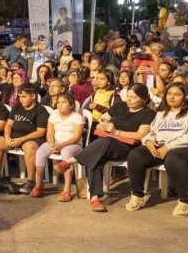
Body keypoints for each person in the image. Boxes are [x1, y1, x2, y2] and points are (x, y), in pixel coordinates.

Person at [56, 83, 156, 211]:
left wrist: (116, 132)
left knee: (105, 143)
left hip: (127, 147)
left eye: (134, 97)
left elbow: (141, 135)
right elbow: (104, 119)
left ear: (143, 99)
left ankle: (70, 161)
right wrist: (102, 125)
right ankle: (95, 198)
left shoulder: (148, 113)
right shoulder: (119, 106)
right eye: (128, 96)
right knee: (96, 157)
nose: (129, 99)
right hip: (106, 143)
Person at [125, 84, 188, 216]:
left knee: (173, 158)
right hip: (162, 147)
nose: (172, 97)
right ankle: (138, 195)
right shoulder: (162, 113)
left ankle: (184, 201)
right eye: (169, 93)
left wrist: (168, 147)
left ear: (185, 97)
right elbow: (152, 132)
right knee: (136, 155)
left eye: (177, 94)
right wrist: (149, 141)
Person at [0, 83, 49, 194]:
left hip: (32, 137)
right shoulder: (17, 106)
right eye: (20, 96)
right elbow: (8, 125)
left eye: (24, 96)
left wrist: (21, 140)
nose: (21, 99)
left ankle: (31, 181)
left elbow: (41, 131)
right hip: (15, 136)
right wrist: (7, 138)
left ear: (33, 96)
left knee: (30, 146)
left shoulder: (40, 110)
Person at [32, 93, 84, 200]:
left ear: (71, 105)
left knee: (66, 152)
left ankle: (67, 189)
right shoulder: (54, 114)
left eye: (64, 102)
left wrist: (61, 146)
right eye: (59, 102)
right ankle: (39, 184)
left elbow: (76, 137)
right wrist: (52, 144)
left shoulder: (77, 117)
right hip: (56, 142)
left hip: (72, 144)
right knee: (40, 151)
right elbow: (49, 133)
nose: (60, 105)